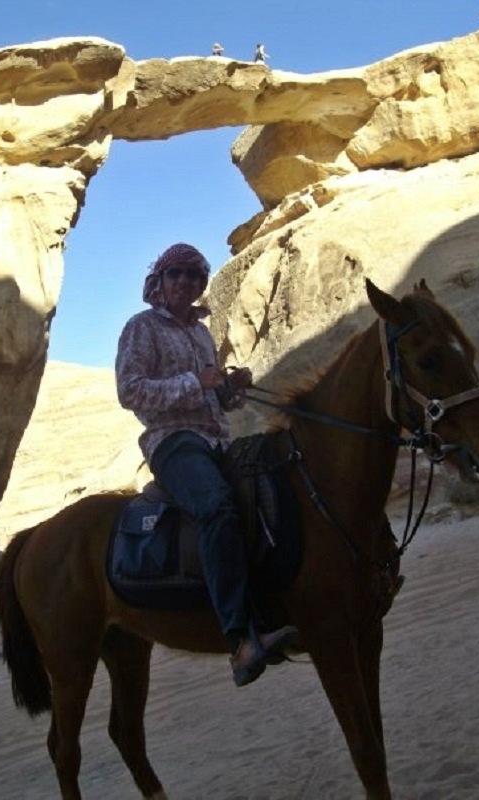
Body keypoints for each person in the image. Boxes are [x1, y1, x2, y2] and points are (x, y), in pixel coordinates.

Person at [115, 243, 298, 687]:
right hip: (172, 440)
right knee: (216, 506)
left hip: (216, 439)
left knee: (273, 486)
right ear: (159, 281)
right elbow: (130, 391)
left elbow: (218, 401)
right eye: (176, 273)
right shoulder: (142, 328)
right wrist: (197, 380)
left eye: (196, 276)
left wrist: (231, 389)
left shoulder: (201, 335)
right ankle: (238, 640)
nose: (186, 282)